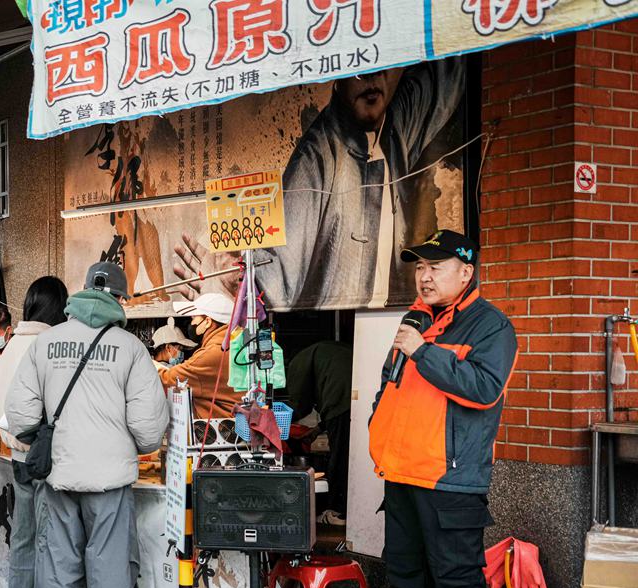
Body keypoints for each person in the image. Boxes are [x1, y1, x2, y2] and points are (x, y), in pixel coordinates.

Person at [368, 230, 516, 588]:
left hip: (451, 480)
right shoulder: (417, 321)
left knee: (457, 583)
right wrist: (376, 425)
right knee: (406, 575)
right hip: (402, 474)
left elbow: (483, 389)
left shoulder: (490, 326)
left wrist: (422, 352)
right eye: (419, 267)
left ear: (466, 271)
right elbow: (389, 389)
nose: (424, 275)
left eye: (436, 266)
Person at [6, 262, 169, 588]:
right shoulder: (131, 349)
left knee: (58, 562)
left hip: (59, 473)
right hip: (110, 478)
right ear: (118, 299)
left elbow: (20, 412)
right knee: (109, 565)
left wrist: (41, 438)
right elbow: (150, 426)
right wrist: (132, 445)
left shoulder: (47, 342)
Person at [256, 61, 465, 309]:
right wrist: (240, 273)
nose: (372, 78)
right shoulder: (317, 155)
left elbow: (449, 71)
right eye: (358, 67)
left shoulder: (395, 125)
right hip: (342, 325)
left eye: (384, 63)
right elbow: (278, 286)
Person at [0, 276, 67, 588]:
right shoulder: (47, 345)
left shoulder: (9, 345)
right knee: (45, 540)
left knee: (22, 539)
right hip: (42, 456)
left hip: (16, 456)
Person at [285, 340, 353, 525]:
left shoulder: (297, 362)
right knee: (351, 457)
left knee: (339, 457)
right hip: (357, 397)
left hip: (340, 400)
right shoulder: (329, 349)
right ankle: (349, 508)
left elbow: (300, 404)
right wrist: (317, 429)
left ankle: (337, 512)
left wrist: (279, 425)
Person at [159, 293, 241, 420]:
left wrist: (150, 365)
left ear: (207, 321)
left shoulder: (213, 353)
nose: (191, 323)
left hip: (219, 431)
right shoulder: (235, 346)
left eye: (194, 318)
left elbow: (167, 380)